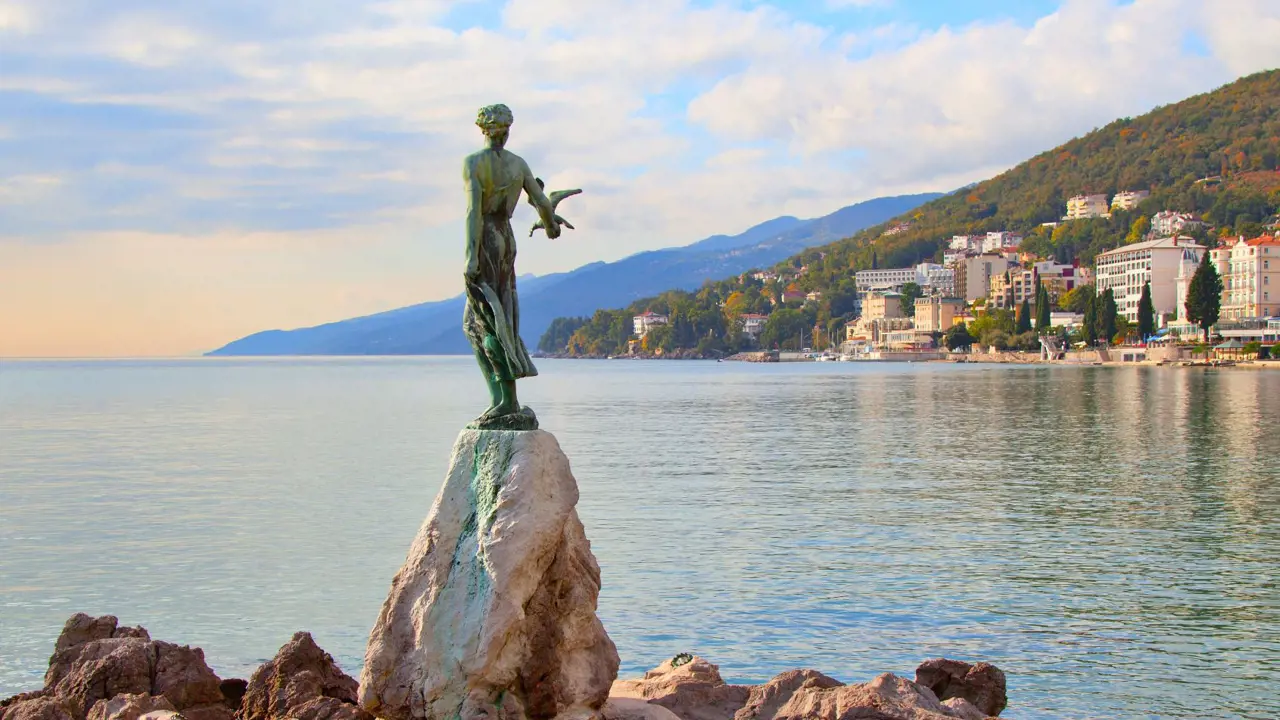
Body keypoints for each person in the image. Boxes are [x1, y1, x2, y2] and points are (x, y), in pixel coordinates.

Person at [462, 104, 562, 429]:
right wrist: (551, 227)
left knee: (482, 325)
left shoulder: (474, 163)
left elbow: (473, 213)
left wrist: (471, 256)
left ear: (483, 129)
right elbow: (543, 202)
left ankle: (504, 401)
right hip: (507, 240)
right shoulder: (518, 164)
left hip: (487, 239)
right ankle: (505, 399)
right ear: (507, 129)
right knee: (500, 316)